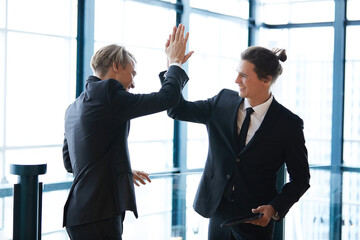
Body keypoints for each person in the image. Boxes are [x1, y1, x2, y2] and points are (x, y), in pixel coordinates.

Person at [163, 46, 310, 240]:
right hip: (218, 212)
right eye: (237, 74)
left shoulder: (288, 124)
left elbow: (300, 179)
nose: (236, 81)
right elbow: (177, 110)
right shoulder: (222, 102)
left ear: (266, 80)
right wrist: (173, 66)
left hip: (256, 218)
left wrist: (274, 208)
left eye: (244, 76)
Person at [62, 24, 193, 240]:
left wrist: (118, 170)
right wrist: (175, 63)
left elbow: (71, 164)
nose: (132, 84)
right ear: (115, 66)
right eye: (131, 73)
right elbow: (167, 98)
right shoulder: (108, 94)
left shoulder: (74, 107)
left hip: (78, 214)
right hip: (99, 214)